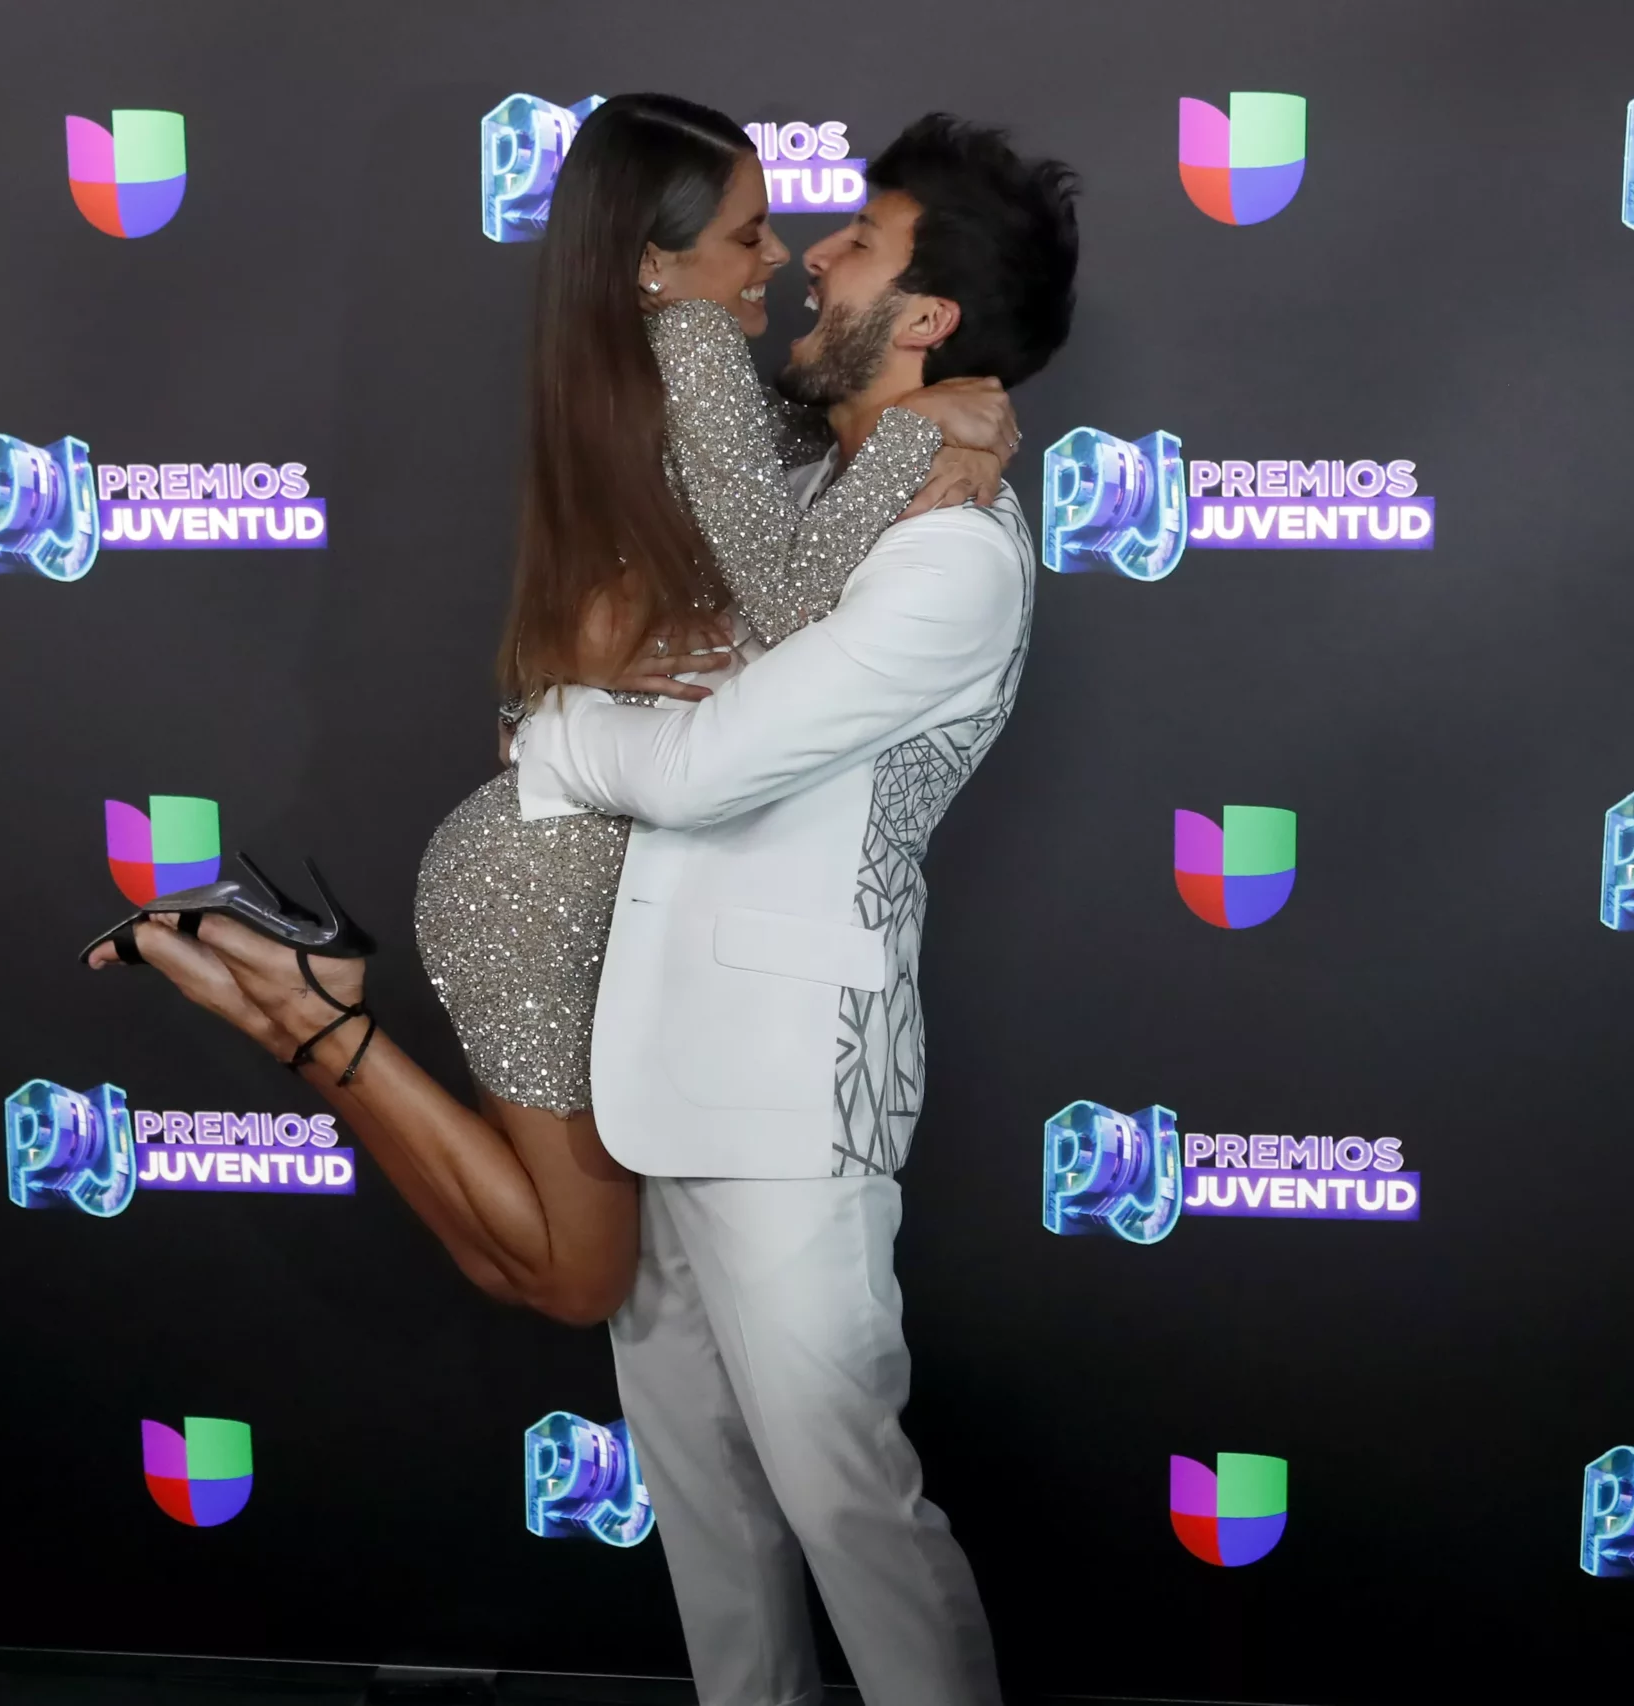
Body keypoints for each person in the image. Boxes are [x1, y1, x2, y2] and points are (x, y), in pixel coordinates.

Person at [106, 111, 1079, 1706]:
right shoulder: (830, 473)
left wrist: (554, 732)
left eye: (856, 246)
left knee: (846, 1496)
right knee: (705, 1499)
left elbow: (700, 769)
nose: (812, 261)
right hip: (645, 1040)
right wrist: (931, 427)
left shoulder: (953, 561)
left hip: (784, 1082)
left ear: (925, 319)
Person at [85, 91, 1017, 1325]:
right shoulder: (688, 357)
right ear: (655, 264)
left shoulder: (663, 365)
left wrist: (931, 411)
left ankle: (303, 1007)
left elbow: (730, 543)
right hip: (546, 887)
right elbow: (794, 596)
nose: (782, 255)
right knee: (575, 1277)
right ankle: (306, 1018)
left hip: (571, 873)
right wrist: (923, 430)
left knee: (552, 1266)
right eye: (749, 233)